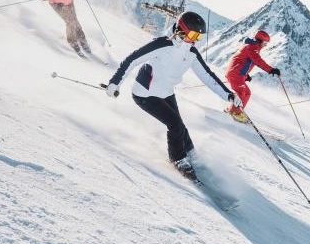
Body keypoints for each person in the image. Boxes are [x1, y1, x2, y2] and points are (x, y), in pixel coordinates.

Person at [104, 11, 242, 180]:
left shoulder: (191, 53)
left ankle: (191, 154)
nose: (195, 40)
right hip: (145, 94)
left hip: (166, 92)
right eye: (193, 34)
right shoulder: (162, 44)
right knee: (175, 125)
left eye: (199, 37)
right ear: (182, 30)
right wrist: (115, 82)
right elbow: (132, 59)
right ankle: (178, 159)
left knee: (181, 126)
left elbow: (208, 76)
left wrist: (228, 95)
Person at [224, 29, 280, 123]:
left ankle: (237, 111)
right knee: (241, 92)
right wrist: (271, 70)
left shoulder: (253, 47)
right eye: (265, 42)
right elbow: (258, 61)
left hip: (238, 73)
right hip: (235, 73)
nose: (265, 45)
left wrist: (246, 75)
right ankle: (234, 112)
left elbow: (244, 62)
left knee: (247, 92)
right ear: (260, 40)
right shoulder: (252, 47)